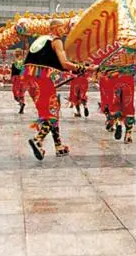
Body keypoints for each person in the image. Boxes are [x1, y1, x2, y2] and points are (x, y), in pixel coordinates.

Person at [23, 20, 83, 160]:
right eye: (62, 28)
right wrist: (83, 68)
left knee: (49, 112)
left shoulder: (41, 40)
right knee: (51, 113)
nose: (64, 31)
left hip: (31, 82)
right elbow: (64, 63)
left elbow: (46, 62)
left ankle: (59, 146)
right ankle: (38, 140)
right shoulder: (56, 40)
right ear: (55, 28)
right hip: (43, 81)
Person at [10, 49, 26, 114]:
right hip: (22, 78)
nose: (15, 53)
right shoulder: (23, 60)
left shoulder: (18, 61)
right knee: (21, 93)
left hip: (18, 78)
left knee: (15, 92)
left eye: (16, 52)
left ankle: (21, 103)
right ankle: (21, 107)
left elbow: (19, 70)